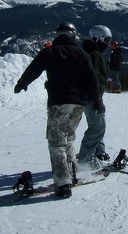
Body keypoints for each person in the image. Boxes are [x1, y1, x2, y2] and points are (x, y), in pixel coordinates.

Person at [14, 22, 102, 199]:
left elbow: (34, 69)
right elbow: (92, 79)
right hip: (79, 103)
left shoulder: (49, 52)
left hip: (58, 101)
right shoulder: (82, 53)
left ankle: (63, 183)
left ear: (58, 35)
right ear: (73, 36)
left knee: (56, 142)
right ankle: (72, 173)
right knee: (69, 137)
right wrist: (97, 100)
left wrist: (22, 83)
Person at [79, 25, 112, 165]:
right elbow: (94, 78)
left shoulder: (90, 51)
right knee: (98, 126)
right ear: (96, 38)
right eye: (105, 40)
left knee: (97, 124)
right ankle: (85, 159)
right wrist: (97, 99)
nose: (107, 44)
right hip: (91, 96)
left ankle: (99, 152)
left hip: (89, 95)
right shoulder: (94, 54)